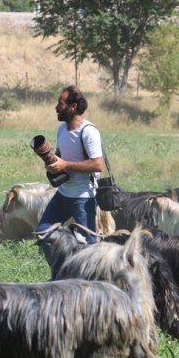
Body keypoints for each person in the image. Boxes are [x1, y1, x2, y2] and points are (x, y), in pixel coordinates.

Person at [36, 85, 104, 254]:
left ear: (73, 107)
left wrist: (65, 165)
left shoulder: (89, 132)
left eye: (61, 103)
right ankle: (61, 273)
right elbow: (61, 157)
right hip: (63, 194)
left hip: (83, 197)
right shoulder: (62, 130)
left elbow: (97, 164)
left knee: (90, 247)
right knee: (44, 234)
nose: (56, 107)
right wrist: (51, 163)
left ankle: (91, 279)